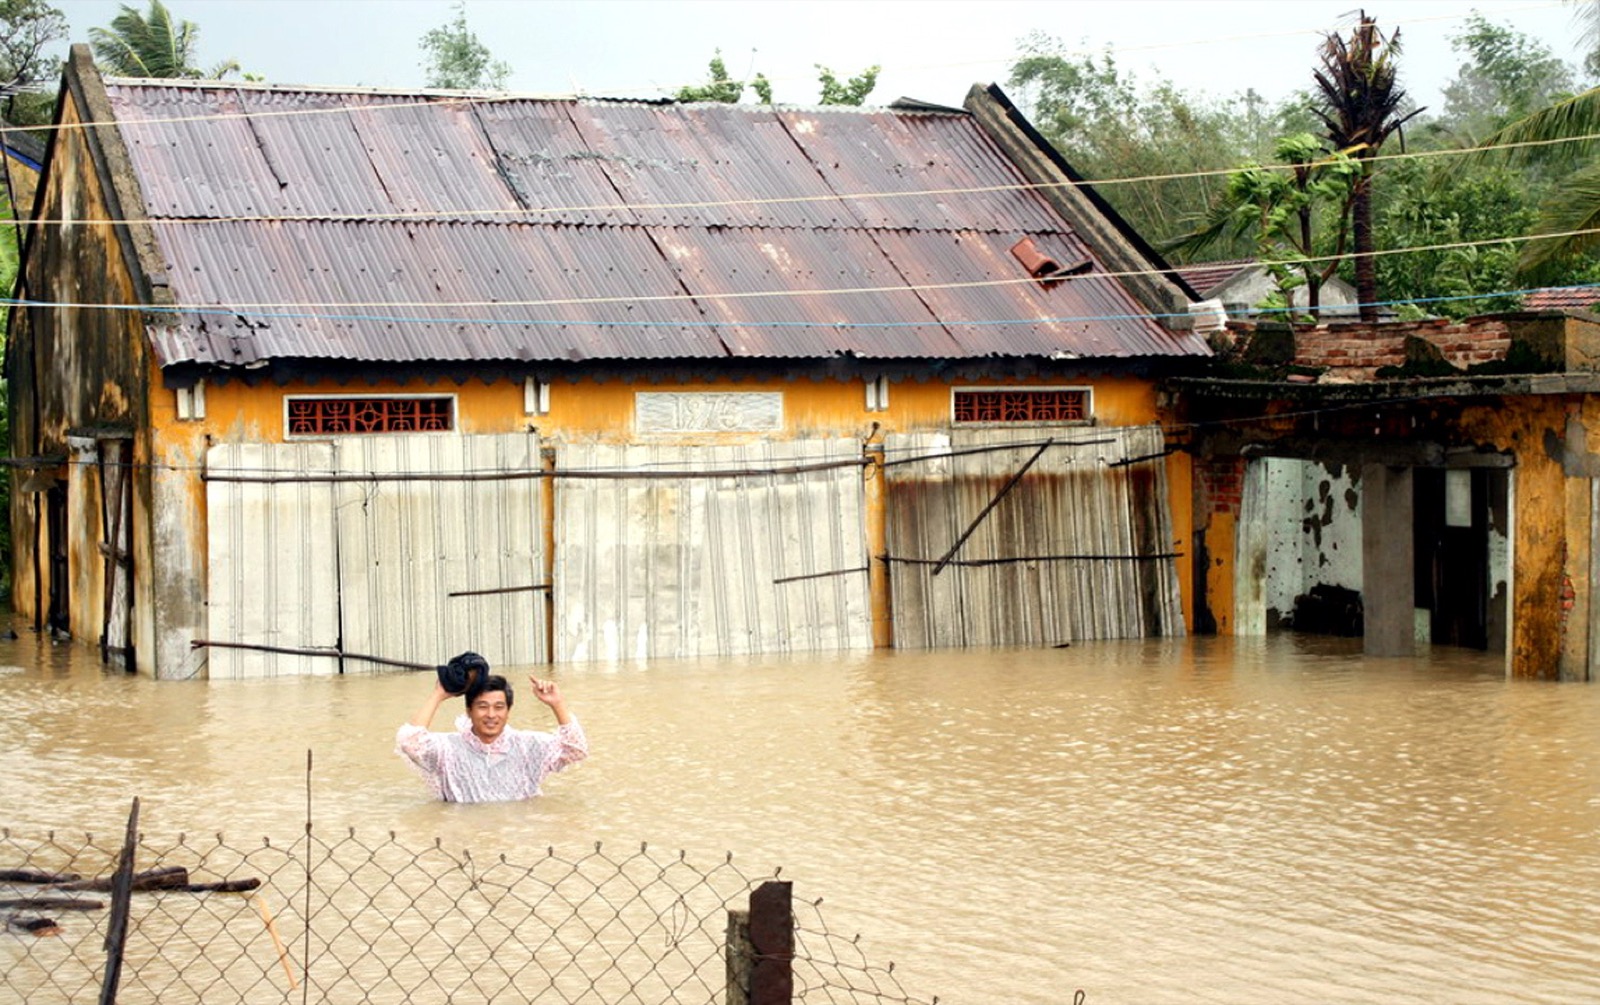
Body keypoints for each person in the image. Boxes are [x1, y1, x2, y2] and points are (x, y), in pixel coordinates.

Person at [395, 657, 588, 804]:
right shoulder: (448, 749)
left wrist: (557, 704)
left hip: (516, 837)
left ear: (508, 710)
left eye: (498, 707)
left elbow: (575, 751)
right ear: (469, 711)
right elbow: (410, 742)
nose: (491, 714)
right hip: (466, 837)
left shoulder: (528, 745)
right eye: (482, 706)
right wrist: (438, 694)